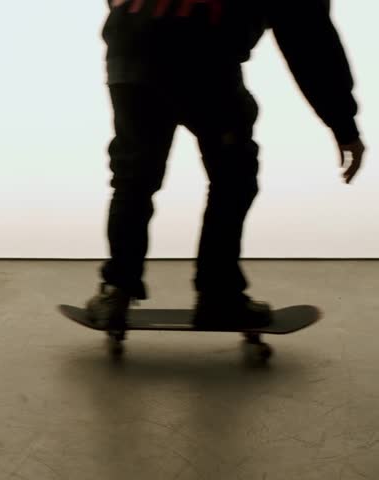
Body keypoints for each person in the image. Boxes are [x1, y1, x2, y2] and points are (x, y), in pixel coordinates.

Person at [86, 0, 366, 329]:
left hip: (131, 52)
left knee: (134, 177)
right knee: (233, 177)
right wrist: (343, 125)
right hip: (204, 58)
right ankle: (219, 297)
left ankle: (116, 290)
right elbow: (310, 41)